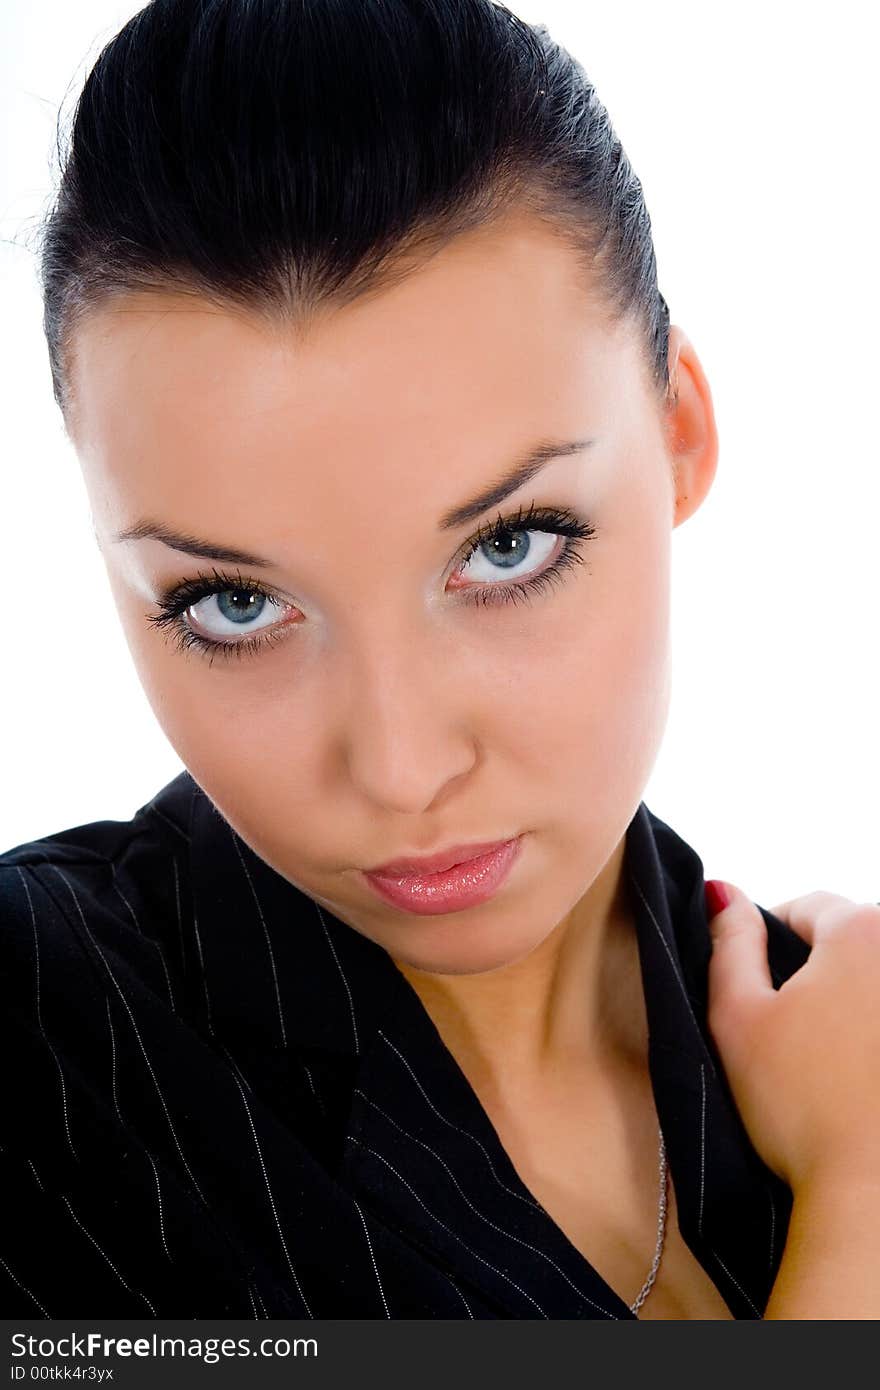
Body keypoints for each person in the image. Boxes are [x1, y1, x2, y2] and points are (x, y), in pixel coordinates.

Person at [2, 0, 878, 1321]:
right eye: (234, 604)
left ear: (682, 430)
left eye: (510, 545)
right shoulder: (39, 1042)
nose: (404, 766)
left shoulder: (836, 1029)